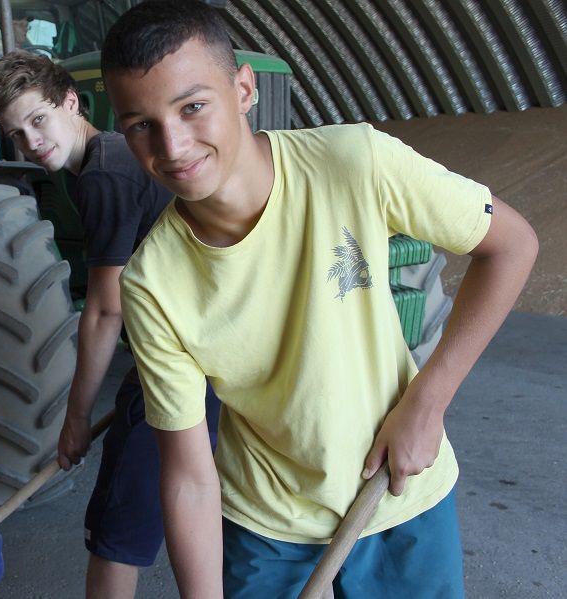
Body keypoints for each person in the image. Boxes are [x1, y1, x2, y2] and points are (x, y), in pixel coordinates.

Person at [100, 1, 539, 597]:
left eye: (193, 106)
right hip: (266, 525)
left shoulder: (352, 162)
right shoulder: (153, 284)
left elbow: (512, 246)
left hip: (400, 495)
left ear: (244, 88)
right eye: (140, 125)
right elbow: (189, 478)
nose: (173, 145)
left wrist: (428, 402)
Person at [0, 52, 219, 598]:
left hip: (185, 361)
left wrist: (76, 419)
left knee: (116, 532)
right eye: (17, 134)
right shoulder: (110, 156)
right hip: (204, 346)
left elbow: (106, 310)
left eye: (38, 120)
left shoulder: (104, 173)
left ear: (70, 103)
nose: (33, 142)